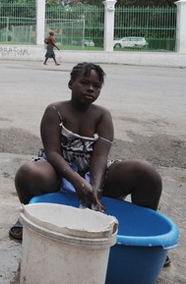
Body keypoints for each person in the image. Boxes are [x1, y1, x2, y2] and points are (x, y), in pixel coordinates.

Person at [9, 62, 163, 242]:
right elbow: (52, 152)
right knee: (29, 172)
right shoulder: (55, 111)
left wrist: (96, 188)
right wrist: (77, 182)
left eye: (97, 86)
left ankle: (148, 232)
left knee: (146, 172)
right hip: (59, 173)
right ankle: (29, 218)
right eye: (84, 83)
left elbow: (100, 156)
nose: (91, 89)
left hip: (96, 174)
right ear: (70, 84)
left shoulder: (102, 115)